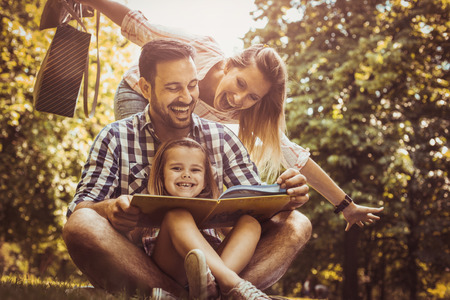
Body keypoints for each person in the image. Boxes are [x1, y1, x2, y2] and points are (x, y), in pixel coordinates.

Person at [75, 0, 384, 232]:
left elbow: (295, 157)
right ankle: (125, 241)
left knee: (184, 173)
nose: (238, 99)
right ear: (228, 65)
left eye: (252, 97)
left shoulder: (243, 111)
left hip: (187, 122)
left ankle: (183, 253)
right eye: (239, 84)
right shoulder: (197, 48)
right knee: (150, 167)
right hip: (140, 94)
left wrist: (345, 205)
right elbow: (136, 23)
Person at [62, 38, 311, 299]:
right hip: (146, 263)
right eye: (173, 88)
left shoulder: (222, 139)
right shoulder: (114, 137)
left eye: (192, 85)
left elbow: (256, 207)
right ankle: (188, 295)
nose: (186, 97)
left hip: (218, 259)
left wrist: (285, 198)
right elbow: (82, 207)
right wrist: (109, 209)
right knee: (80, 223)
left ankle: (224, 290)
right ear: (146, 88)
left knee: (297, 223)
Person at [146, 137, 270, 299]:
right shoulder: (149, 206)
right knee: (177, 215)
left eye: (195, 170)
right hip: (169, 273)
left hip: (211, 272)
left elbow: (239, 238)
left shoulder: (213, 211)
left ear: (205, 181)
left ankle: (211, 291)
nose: (186, 175)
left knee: (250, 223)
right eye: (176, 168)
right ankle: (232, 284)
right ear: (162, 176)